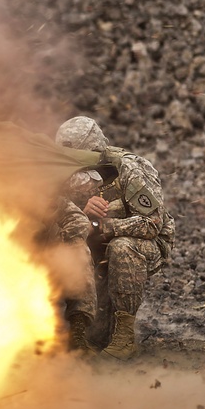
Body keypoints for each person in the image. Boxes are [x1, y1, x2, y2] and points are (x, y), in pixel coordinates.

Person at [49, 116, 175, 360]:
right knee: (96, 338)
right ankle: (72, 327)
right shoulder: (64, 173)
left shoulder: (130, 170)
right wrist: (83, 214)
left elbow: (152, 224)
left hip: (139, 243)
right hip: (94, 245)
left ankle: (124, 336)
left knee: (122, 248)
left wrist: (105, 225)